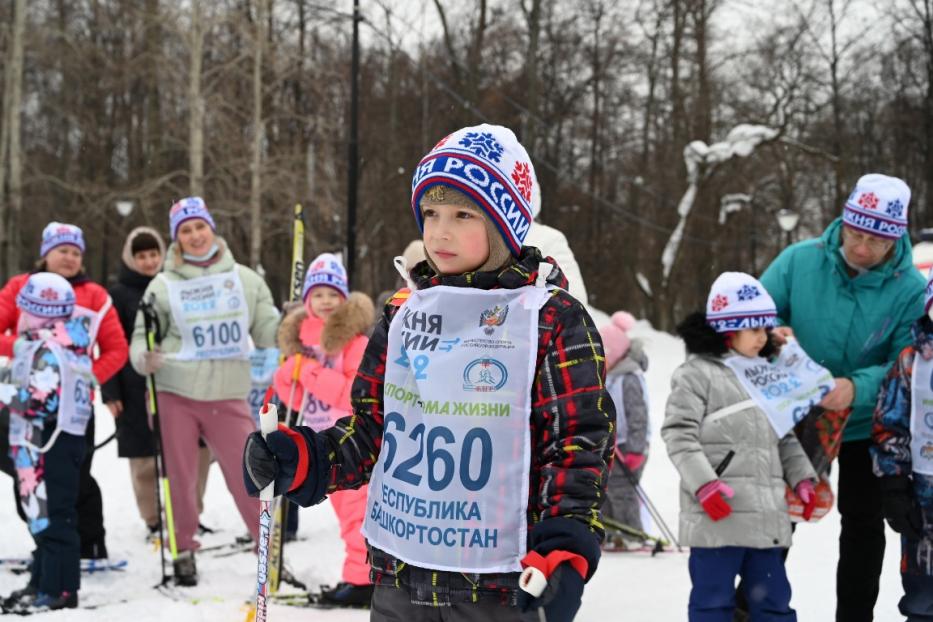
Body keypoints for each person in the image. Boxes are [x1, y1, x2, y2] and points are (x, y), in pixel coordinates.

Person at [244, 124, 614, 621]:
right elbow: (371, 428)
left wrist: (565, 544)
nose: (439, 231)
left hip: (499, 582)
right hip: (402, 575)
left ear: (505, 224)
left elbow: (576, 443)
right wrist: (304, 458)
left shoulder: (551, 317)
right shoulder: (404, 311)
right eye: (431, 213)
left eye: (463, 215)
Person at [759, 174, 925, 621]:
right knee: (776, 520)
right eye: (856, 233)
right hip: (795, 413)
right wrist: (771, 338)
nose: (862, 247)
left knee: (863, 527)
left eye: (876, 239)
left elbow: (904, 361)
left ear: (896, 238)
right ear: (843, 222)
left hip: (866, 422)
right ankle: (754, 610)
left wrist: (857, 388)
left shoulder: (910, 288)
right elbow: (754, 314)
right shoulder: (799, 260)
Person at [129, 197, 279, 586]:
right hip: (174, 390)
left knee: (249, 472)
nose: (195, 236)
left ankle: (267, 547)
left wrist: (288, 324)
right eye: (185, 230)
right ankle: (182, 552)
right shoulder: (161, 285)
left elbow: (267, 331)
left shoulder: (245, 279)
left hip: (229, 392)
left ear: (211, 228)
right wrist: (143, 356)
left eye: (199, 227)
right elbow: (140, 336)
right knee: (179, 478)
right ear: (176, 239)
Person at [662, 272, 817, 621]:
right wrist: (704, 485)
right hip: (718, 515)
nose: (763, 337)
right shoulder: (696, 374)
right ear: (728, 330)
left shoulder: (766, 372)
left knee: (774, 602)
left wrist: (803, 479)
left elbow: (785, 435)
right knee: (712, 604)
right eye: (754, 329)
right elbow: (678, 434)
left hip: (766, 518)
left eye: (766, 328)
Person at [0, 222, 127, 560]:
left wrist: (85, 378)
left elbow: (116, 350)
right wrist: (27, 350)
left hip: (73, 408)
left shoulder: (95, 295)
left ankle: (88, 543)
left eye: (75, 252)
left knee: (75, 475)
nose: (69, 258)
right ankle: (46, 543)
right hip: (25, 404)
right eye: (62, 251)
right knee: (26, 474)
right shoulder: (19, 287)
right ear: (45, 254)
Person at [273, 252, 375, 606]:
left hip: (352, 439)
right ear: (308, 301)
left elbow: (351, 394)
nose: (326, 301)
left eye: (333, 293)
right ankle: (362, 574)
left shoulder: (356, 343)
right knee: (343, 514)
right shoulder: (305, 344)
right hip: (319, 438)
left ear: (344, 297)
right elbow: (297, 399)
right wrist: (287, 374)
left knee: (356, 514)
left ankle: (362, 580)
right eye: (318, 295)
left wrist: (307, 371)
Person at [101, 227, 213, 543]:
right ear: (131, 258)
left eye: (154, 254)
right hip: (136, 385)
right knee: (145, 458)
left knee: (194, 453)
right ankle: (153, 518)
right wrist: (110, 390)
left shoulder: (178, 284)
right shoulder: (120, 295)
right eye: (141, 256)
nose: (149, 261)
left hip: (184, 382)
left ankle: (190, 513)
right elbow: (108, 343)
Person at [1, 273, 98, 613]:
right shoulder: (41, 346)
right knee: (39, 518)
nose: (21, 316)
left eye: (26, 310)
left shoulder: (53, 350)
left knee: (55, 518)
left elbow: (41, 401)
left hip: (51, 446)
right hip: (35, 446)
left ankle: (61, 589)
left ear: (42, 313)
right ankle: (40, 581)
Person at [871, 270, 933, 620]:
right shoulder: (912, 361)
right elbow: (889, 423)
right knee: (924, 596)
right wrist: (894, 483)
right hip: (925, 502)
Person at [598, 311, 651, 550]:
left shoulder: (628, 378)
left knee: (623, 490)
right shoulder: (609, 377)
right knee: (605, 488)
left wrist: (636, 449)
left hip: (629, 447)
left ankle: (631, 533)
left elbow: (638, 417)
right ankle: (610, 532)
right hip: (611, 445)